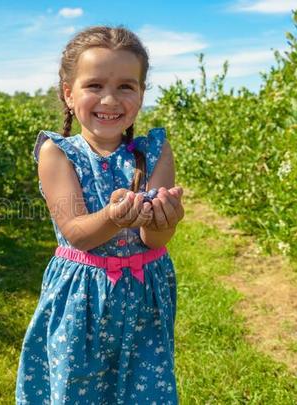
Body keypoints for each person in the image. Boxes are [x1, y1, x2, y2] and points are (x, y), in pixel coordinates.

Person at [15, 25, 185, 404]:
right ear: (68, 94)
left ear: (141, 95)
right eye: (94, 86)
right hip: (82, 294)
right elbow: (76, 232)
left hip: (145, 293)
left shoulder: (155, 151)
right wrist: (114, 217)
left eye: (126, 86)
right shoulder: (58, 153)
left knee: (144, 387)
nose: (110, 99)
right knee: (78, 386)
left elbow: (153, 240)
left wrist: (165, 221)